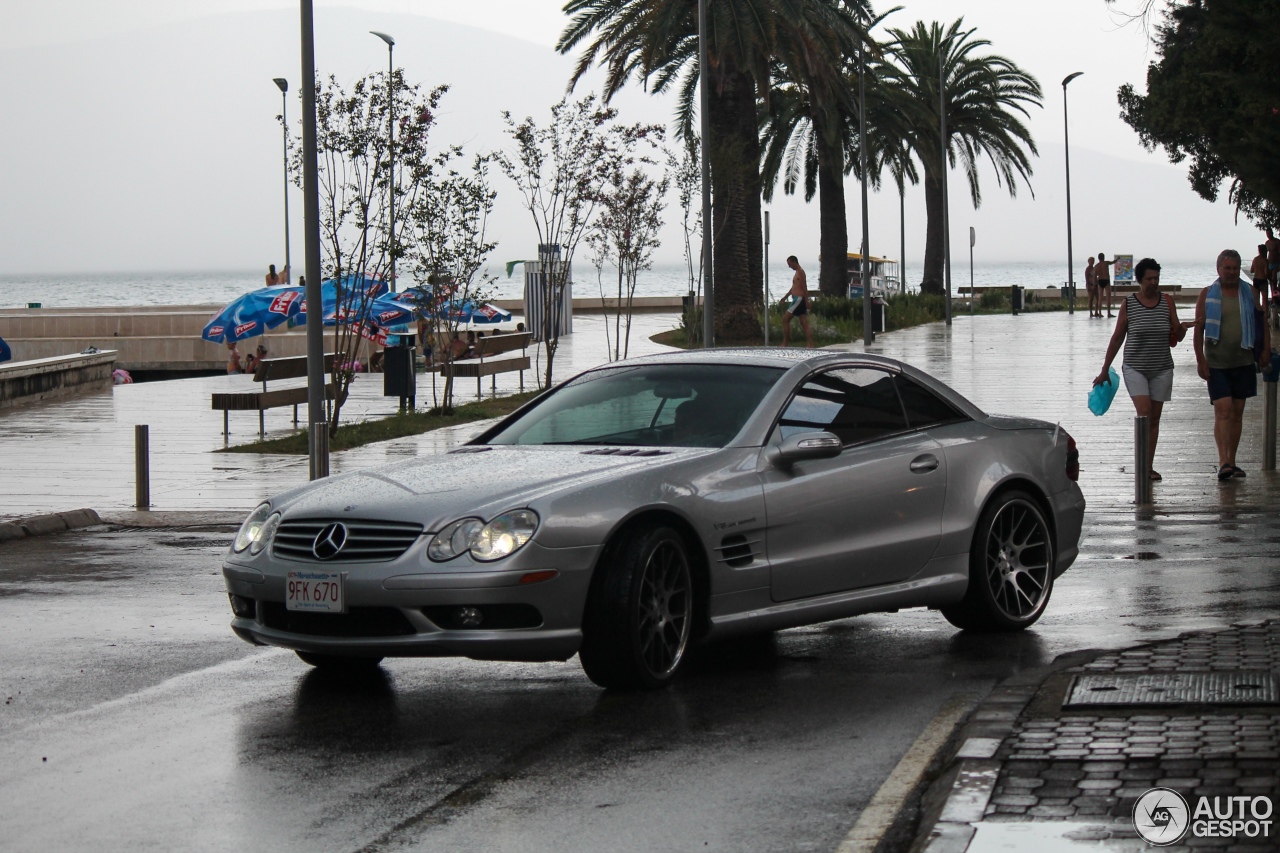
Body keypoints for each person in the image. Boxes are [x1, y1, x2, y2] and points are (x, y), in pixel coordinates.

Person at [1094, 258, 1191, 482]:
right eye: (1149, 279)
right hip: (1135, 367)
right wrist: (1104, 369)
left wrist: (1183, 329)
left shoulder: (1167, 302)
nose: (1153, 282)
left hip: (1162, 368)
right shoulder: (1130, 304)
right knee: (1144, 412)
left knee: (1154, 418)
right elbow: (1118, 336)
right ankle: (1141, 464)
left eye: (1156, 278)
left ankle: (1147, 466)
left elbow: (1176, 333)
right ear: (1139, 280)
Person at [1193, 249, 1272, 481]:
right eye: (1227, 268)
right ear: (1218, 269)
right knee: (1223, 410)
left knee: (1237, 413)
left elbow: (1262, 323)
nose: (1232, 272)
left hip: (1243, 361)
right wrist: (1200, 359)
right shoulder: (1207, 295)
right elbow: (1199, 330)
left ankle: (1233, 460)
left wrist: (1265, 350)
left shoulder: (1249, 292)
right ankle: (1223, 461)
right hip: (1217, 363)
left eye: (1235, 268)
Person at [780, 255, 813, 347]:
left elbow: (804, 287)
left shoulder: (801, 272)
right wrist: (785, 297)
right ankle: (810, 343)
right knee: (804, 323)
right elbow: (793, 288)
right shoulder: (797, 273)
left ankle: (785, 343)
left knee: (785, 320)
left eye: (790, 264)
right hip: (797, 299)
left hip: (798, 299)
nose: (789, 266)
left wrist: (807, 301)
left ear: (794, 262)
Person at [1094, 253, 1117, 318]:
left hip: (1100, 281)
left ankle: (1100, 313)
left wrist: (1094, 284)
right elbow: (1113, 262)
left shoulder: (1096, 266)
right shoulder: (1106, 263)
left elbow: (1095, 276)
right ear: (1103, 257)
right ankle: (1108, 313)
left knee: (1100, 298)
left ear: (1098, 258)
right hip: (1106, 280)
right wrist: (1117, 259)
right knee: (1108, 298)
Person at [1250, 244, 1270, 310]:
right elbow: (1266, 273)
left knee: (1256, 301)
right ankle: (1265, 318)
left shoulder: (1255, 259)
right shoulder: (1265, 260)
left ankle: (1257, 317)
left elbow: (1251, 270)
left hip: (1256, 280)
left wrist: (1257, 269)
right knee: (1265, 301)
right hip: (1263, 281)